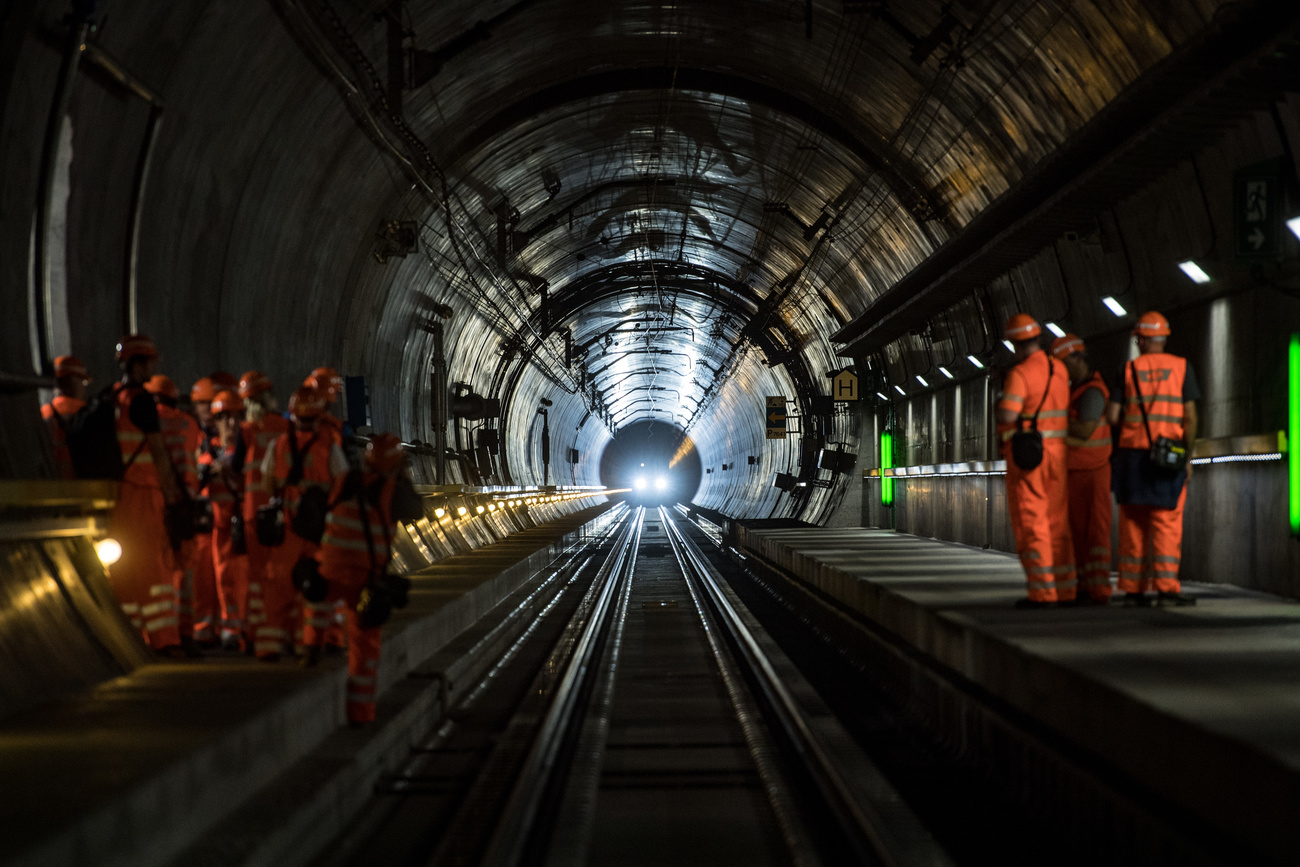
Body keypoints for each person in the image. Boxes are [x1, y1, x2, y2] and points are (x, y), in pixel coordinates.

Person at [314, 434, 422, 725]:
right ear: (397, 464)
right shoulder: (393, 491)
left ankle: (310, 650)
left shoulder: (345, 480)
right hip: (363, 576)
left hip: (328, 567)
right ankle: (361, 713)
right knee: (364, 643)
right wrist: (404, 477)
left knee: (317, 612)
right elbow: (416, 509)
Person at [1105, 311, 1200, 606]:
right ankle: (1166, 587)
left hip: (1132, 457)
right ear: (1164, 338)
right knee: (1167, 522)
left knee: (1133, 523)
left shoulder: (1128, 369)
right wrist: (1187, 456)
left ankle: (1133, 590)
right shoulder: (1182, 367)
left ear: (1141, 340)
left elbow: (1112, 415)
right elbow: (1191, 418)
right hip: (1168, 456)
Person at [106, 335, 186, 655]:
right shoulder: (141, 402)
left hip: (118, 495)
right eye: (149, 362)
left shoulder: (111, 398)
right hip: (145, 494)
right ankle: (165, 641)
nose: (153, 367)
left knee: (127, 568)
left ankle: (130, 638)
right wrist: (173, 498)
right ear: (138, 364)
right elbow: (158, 453)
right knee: (155, 568)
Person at [995, 314, 1075, 608]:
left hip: (1030, 456)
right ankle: (1066, 588)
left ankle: (1042, 593)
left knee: (1033, 522)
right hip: (1059, 453)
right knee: (1058, 521)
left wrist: (1000, 406)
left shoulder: (1021, 374)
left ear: (1016, 344)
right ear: (1038, 338)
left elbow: (1008, 415)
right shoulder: (1060, 368)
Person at [265, 386, 349, 662]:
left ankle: (272, 644)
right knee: (316, 586)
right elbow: (342, 481)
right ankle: (311, 644)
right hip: (317, 529)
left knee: (279, 588)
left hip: (288, 528)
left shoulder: (278, 445)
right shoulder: (328, 447)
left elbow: (269, 480)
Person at [236, 370, 293, 661]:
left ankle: (256, 633)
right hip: (281, 512)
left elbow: (235, 469)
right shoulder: (285, 427)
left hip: (252, 514)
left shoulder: (245, 431)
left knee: (255, 577)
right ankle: (285, 632)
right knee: (282, 573)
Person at [146, 374, 205, 654]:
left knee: (161, 573)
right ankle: (187, 633)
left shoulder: (144, 420)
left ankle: (162, 638)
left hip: (155, 503)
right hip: (184, 506)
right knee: (187, 572)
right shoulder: (188, 423)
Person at [1052, 335, 1113, 604]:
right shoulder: (1073, 390)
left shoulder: (1092, 392)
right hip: (1075, 471)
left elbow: (1086, 430)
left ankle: (1098, 588)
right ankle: (1084, 584)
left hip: (1093, 471)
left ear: (1077, 359)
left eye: (1063, 362)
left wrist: (1052, 427)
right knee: (1077, 531)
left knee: (1095, 531)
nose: (1061, 369)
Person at [205, 390, 251, 649]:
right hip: (216, 528)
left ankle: (237, 629)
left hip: (239, 527)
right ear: (216, 421)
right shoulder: (207, 451)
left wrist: (229, 474)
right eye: (225, 418)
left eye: (236, 417)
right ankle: (227, 626)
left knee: (240, 580)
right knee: (220, 581)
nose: (232, 424)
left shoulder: (245, 453)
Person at [41, 355, 90, 479]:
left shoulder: (44, 412)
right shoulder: (85, 412)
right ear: (74, 381)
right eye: (83, 382)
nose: (84, 388)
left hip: (51, 480)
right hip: (81, 482)